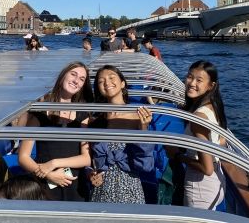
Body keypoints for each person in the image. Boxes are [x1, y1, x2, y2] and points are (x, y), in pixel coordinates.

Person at [18, 61, 93, 201]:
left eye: (82, 79)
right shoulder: (41, 110)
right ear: (63, 75)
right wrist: (48, 174)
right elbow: (23, 157)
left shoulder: (83, 114)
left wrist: (54, 163)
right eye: (73, 74)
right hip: (45, 182)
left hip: (74, 184)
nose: (76, 80)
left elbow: (86, 158)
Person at [88, 65, 154, 204]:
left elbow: (145, 164)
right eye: (101, 81)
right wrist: (91, 173)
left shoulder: (138, 115)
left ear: (122, 83)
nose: (107, 83)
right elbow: (90, 158)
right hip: (102, 189)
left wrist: (143, 129)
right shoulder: (96, 119)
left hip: (129, 186)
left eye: (112, 78)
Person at [168, 60, 227, 210]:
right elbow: (222, 141)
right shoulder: (214, 106)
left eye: (199, 80)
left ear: (210, 86)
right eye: (189, 77)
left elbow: (207, 169)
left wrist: (177, 156)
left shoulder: (199, 118)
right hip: (218, 181)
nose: (192, 83)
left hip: (200, 187)